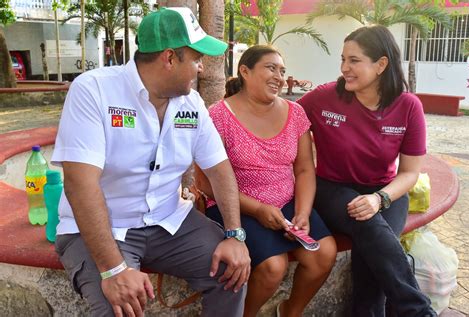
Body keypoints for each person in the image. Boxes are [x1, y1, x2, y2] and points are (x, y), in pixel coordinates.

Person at [51, 7, 250, 317]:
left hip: (169, 221)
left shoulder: (192, 104)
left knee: (232, 271)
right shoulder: (94, 90)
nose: (200, 68)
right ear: (169, 58)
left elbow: (219, 169)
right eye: (195, 59)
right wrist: (113, 269)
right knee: (118, 306)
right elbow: (80, 184)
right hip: (103, 227)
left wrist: (234, 234)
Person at [297, 25, 437, 316]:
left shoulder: (408, 106)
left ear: (381, 64)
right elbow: (284, 117)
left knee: (373, 252)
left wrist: (380, 199)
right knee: (371, 227)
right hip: (332, 187)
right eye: (343, 59)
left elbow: (410, 173)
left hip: (387, 191)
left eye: (354, 61)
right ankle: (418, 311)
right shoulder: (324, 98)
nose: (344, 68)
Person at [195, 45, 337, 317]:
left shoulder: (296, 113)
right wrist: (258, 209)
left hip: (286, 203)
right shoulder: (219, 116)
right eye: (271, 68)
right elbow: (205, 183)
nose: (279, 77)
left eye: (282, 71)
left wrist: (303, 212)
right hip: (235, 205)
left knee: (324, 253)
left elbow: (305, 169)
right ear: (245, 71)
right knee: (273, 266)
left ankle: (289, 311)